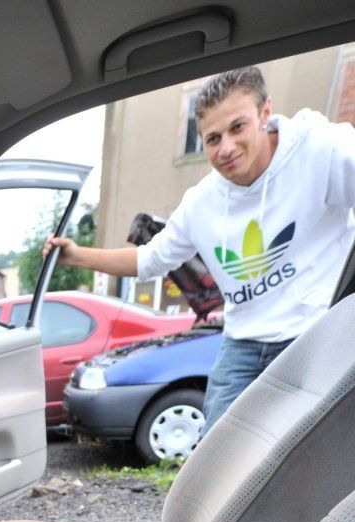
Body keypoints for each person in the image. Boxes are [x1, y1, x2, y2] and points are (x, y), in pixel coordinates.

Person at [44, 66, 355, 432]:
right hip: (243, 342)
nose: (226, 148)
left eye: (238, 127)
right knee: (216, 452)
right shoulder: (201, 203)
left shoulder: (320, 150)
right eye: (212, 138)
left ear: (265, 113)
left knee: (312, 443)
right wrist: (76, 255)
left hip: (314, 332)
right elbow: (149, 259)